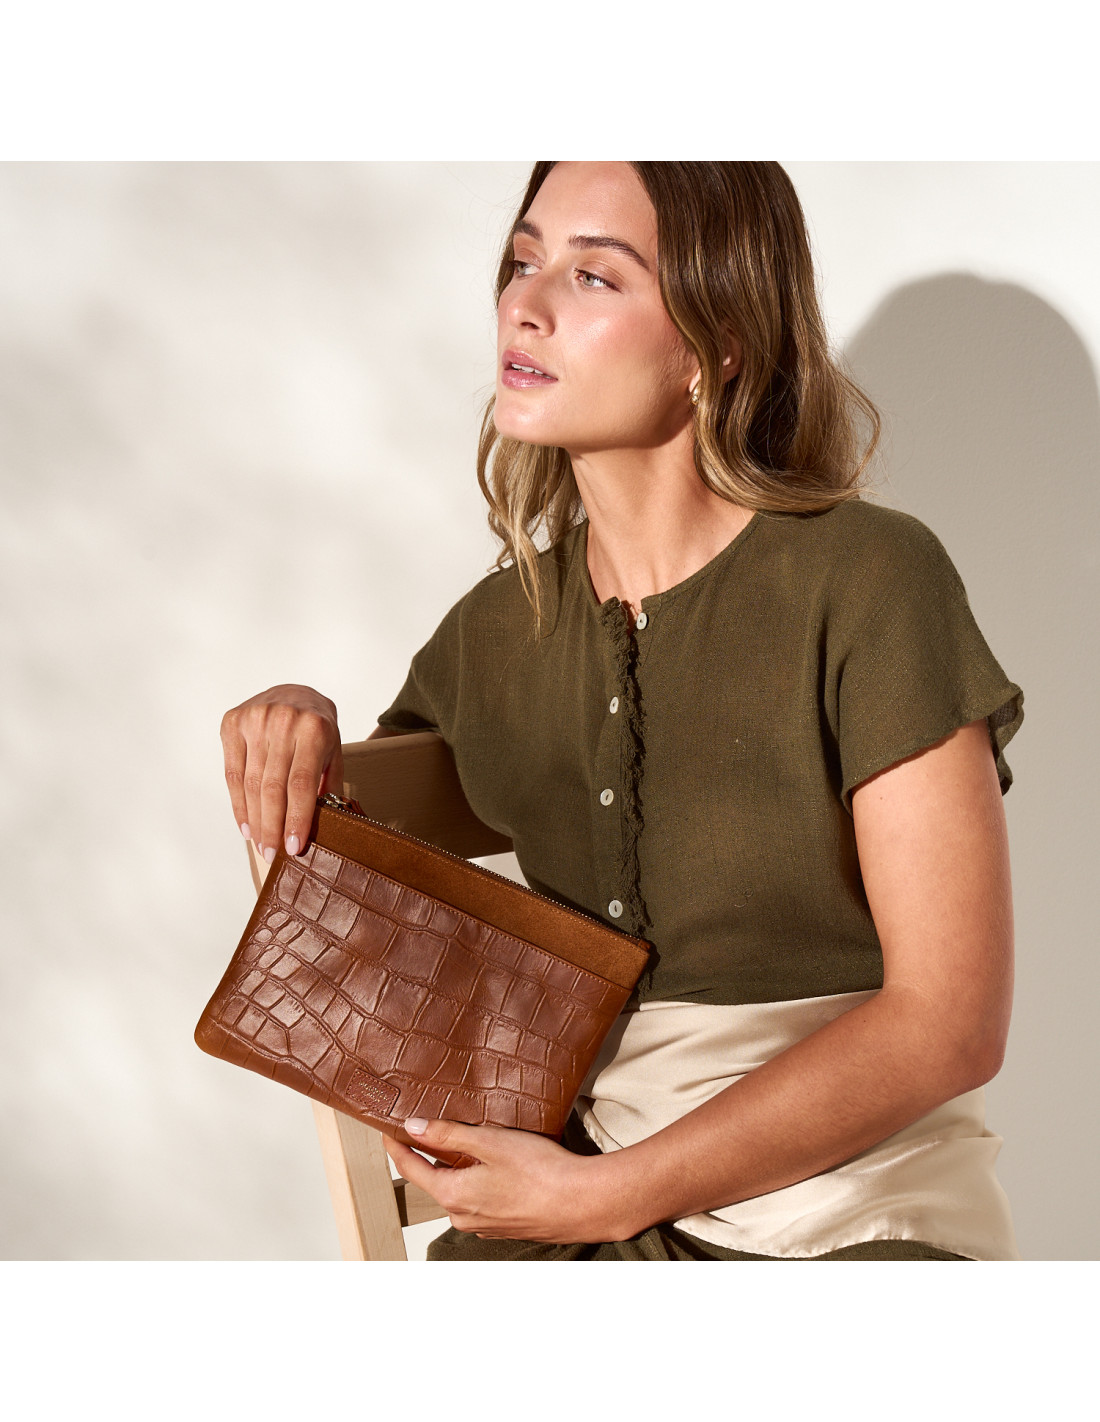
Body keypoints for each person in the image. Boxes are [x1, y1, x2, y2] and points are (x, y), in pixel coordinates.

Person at [220, 162, 1023, 1260]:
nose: (525, 303)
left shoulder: (870, 582)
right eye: (523, 259)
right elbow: (373, 871)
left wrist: (608, 1195)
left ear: (717, 342)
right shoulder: (497, 628)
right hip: (567, 1201)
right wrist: (296, 717)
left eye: (594, 276)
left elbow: (949, 1025)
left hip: (847, 1206)